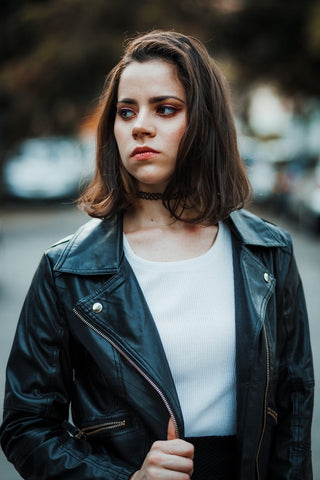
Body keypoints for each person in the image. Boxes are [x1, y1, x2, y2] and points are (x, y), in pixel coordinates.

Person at [0, 30, 314, 480]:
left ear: (205, 122)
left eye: (165, 108)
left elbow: (294, 410)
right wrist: (124, 479)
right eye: (126, 112)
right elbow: (25, 426)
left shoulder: (268, 253)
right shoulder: (67, 269)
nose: (139, 125)